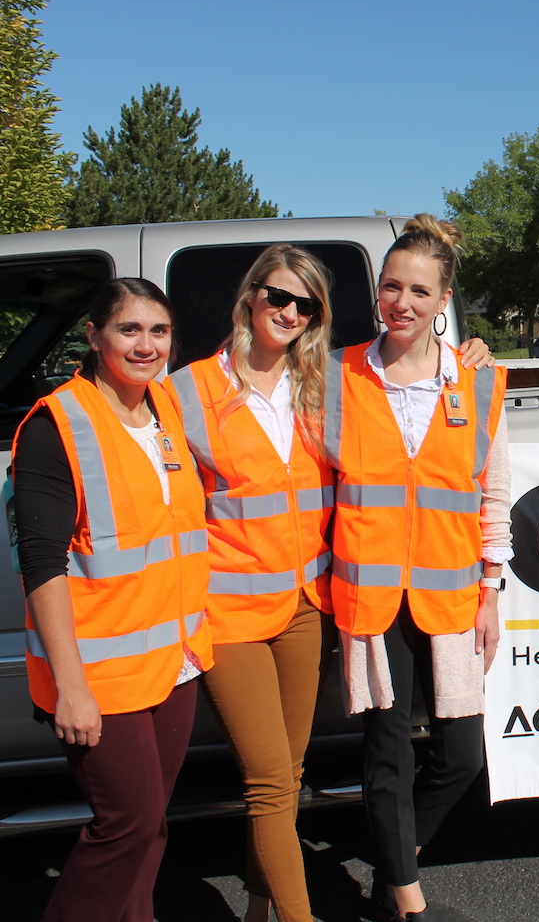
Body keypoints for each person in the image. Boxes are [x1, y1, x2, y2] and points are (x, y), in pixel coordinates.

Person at [326, 213, 510, 922]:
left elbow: (494, 493)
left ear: (443, 301)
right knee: (387, 753)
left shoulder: (478, 381)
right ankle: (406, 898)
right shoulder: (337, 374)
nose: (401, 302)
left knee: (461, 754)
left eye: (419, 291)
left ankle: (392, 863)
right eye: (390, 285)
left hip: (449, 591)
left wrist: (490, 586)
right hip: (370, 593)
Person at [12, 278, 212, 922]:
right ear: (94, 337)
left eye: (159, 331)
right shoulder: (57, 424)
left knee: (151, 825)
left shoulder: (166, 410)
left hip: (172, 659)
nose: (146, 345)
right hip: (101, 673)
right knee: (126, 823)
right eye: (129, 330)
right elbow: (41, 563)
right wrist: (70, 687)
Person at [166, 245, 337, 922]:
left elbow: (410, 372)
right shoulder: (186, 391)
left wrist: (463, 348)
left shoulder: (321, 385)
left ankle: (259, 911)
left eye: (307, 304)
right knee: (269, 782)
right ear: (249, 297)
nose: (290, 312)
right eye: (279, 296)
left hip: (304, 607)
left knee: (286, 782)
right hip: (230, 612)